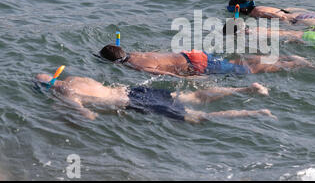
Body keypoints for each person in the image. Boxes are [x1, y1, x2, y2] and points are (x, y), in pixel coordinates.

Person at [35, 73, 276, 123]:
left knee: (196, 117)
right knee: (193, 96)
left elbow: (88, 115)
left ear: (49, 87)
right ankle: (246, 90)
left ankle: (256, 113)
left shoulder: (65, 92)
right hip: (134, 90)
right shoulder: (77, 78)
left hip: (132, 103)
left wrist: (67, 115)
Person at [98, 45, 315, 77]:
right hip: (190, 54)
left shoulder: (136, 64)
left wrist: (190, 80)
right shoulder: (136, 54)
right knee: (239, 62)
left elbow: (166, 75)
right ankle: (283, 57)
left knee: (246, 71)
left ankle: (290, 63)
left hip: (197, 64)